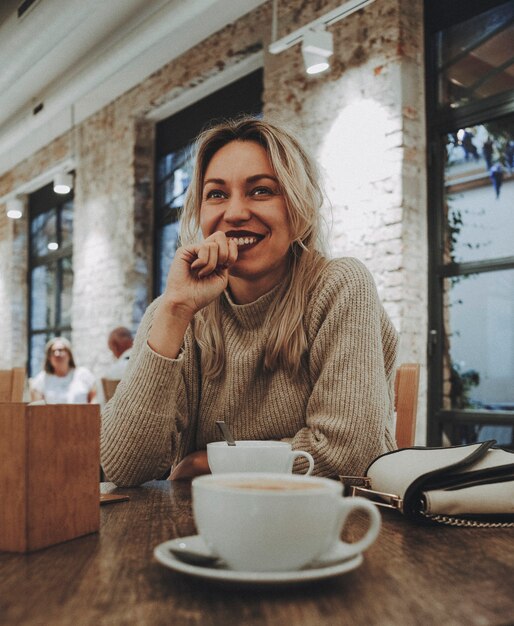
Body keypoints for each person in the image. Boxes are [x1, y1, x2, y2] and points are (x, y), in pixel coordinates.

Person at [101, 117, 398, 487]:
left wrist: (210, 461)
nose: (236, 213)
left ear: (299, 208)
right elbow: (123, 467)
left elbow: (348, 454)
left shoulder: (339, 286)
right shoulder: (179, 309)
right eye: (217, 194)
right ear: (200, 213)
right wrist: (176, 311)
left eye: (261, 191)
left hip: (334, 525)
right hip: (211, 526)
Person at [30, 337, 97, 404]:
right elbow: (38, 409)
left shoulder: (84, 375)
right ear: (49, 358)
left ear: (69, 354)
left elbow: (94, 401)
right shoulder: (40, 380)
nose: (57, 354)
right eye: (53, 351)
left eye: (60, 350)